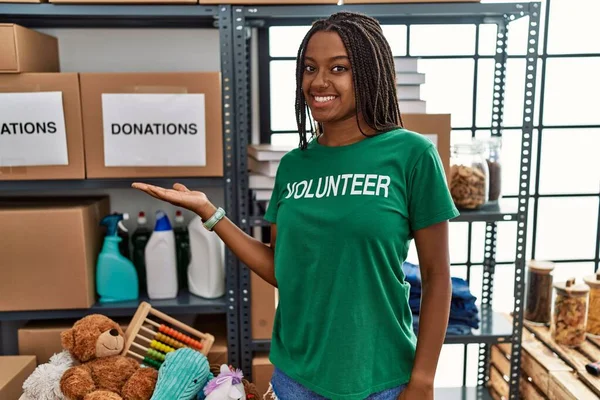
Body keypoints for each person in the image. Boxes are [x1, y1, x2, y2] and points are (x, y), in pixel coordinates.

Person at [133, 11, 459, 400]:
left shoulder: (412, 155)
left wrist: (422, 379)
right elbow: (282, 268)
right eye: (309, 68)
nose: (319, 81)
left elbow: (438, 276)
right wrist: (210, 213)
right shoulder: (293, 166)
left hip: (381, 379)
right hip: (296, 378)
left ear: (370, 73)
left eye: (339, 68)